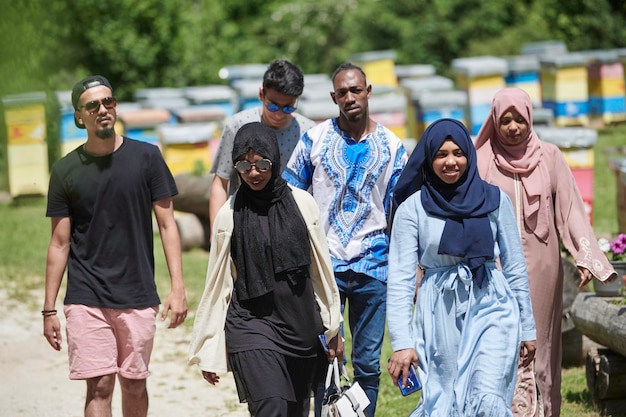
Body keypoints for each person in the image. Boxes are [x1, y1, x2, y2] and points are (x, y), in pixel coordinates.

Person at [42, 75, 188, 417]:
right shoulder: (65, 171)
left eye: (108, 102)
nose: (103, 110)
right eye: (93, 105)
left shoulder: (147, 158)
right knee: (100, 385)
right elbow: (59, 242)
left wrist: (178, 287)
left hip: (137, 293)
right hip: (86, 295)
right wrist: (49, 308)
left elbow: (168, 225)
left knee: (135, 383)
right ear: (80, 116)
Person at [474, 87, 617, 417]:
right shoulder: (482, 160)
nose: (513, 127)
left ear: (529, 118)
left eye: (519, 120)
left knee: (542, 339)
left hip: (543, 265)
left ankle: (544, 409)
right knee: (502, 339)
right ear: (494, 121)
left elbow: (569, 211)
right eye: (505, 120)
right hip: (495, 266)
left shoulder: (549, 156)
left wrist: (584, 256)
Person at [188, 122, 343, 417]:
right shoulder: (228, 214)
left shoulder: (303, 204)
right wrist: (208, 346)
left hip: (300, 327)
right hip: (251, 324)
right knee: (270, 407)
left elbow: (321, 272)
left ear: (274, 160)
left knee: (295, 411)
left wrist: (334, 327)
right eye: (244, 165)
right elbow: (217, 285)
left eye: (262, 162)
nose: (253, 172)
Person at [387, 118, 537, 417]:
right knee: (447, 403)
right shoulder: (412, 209)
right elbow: (401, 281)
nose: (451, 161)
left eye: (458, 152)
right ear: (429, 159)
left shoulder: (496, 201)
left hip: (492, 305)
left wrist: (527, 326)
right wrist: (402, 342)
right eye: (441, 154)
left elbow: (515, 266)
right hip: (439, 315)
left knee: (487, 397)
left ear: (469, 154)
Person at [283, 62, 407, 416]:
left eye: (356, 90)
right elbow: (291, 197)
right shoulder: (315, 140)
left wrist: (408, 268)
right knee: (325, 357)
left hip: (374, 267)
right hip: (325, 268)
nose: (350, 97)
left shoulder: (392, 146)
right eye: (343, 92)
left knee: (368, 364)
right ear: (333, 97)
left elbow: (402, 212)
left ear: (368, 92)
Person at [209, 59, 317, 233]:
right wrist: (217, 236)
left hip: (293, 225)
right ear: (261, 94)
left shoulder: (309, 132)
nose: (280, 114)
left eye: (288, 108)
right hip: (245, 222)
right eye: (273, 106)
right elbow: (220, 183)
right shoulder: (238, 125)